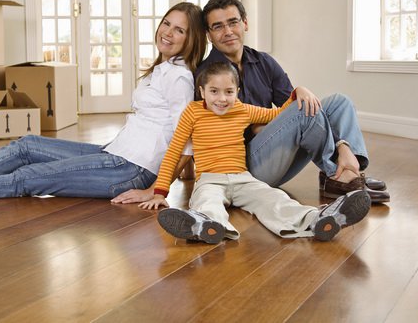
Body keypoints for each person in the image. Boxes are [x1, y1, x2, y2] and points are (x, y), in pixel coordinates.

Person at [0, 2, 206, 201]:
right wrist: (184, 174)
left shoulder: (179, 77)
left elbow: (187, 137)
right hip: (114, 154)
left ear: (191, 40)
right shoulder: (163, 70)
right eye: (167, 23)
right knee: (26, 146)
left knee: (27, 179)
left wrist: (157, 189)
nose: (168, 32)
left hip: (128, 169)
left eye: (179, 30)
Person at [140, 62, 371, 243]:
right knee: (205, 201)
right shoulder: (192, 112)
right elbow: (174, 150)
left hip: (243, 178)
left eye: (229, 91)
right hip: (210, 179)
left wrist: (296, 93)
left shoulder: (242, 109)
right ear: (202, 91)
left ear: (237, 91)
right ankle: (206, 225)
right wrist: (160, 191)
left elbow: (278, 117)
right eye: (214, 91)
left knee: (274, 199)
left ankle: (315, 219)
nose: (222, 99)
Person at [195, 0, 390, 203]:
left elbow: (291, 110)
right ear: (209, 35)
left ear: (245, 23)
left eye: (233, 22)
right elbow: (219, 133)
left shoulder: (264, 61)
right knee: (302, 111)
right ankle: (342, 175)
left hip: (275, 151)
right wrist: (261, 125)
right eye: (218, 26)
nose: (227, 32)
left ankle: (342, 172)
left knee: (338, 103)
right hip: (242, 169)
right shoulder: (206, 75)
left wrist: (300, 91)